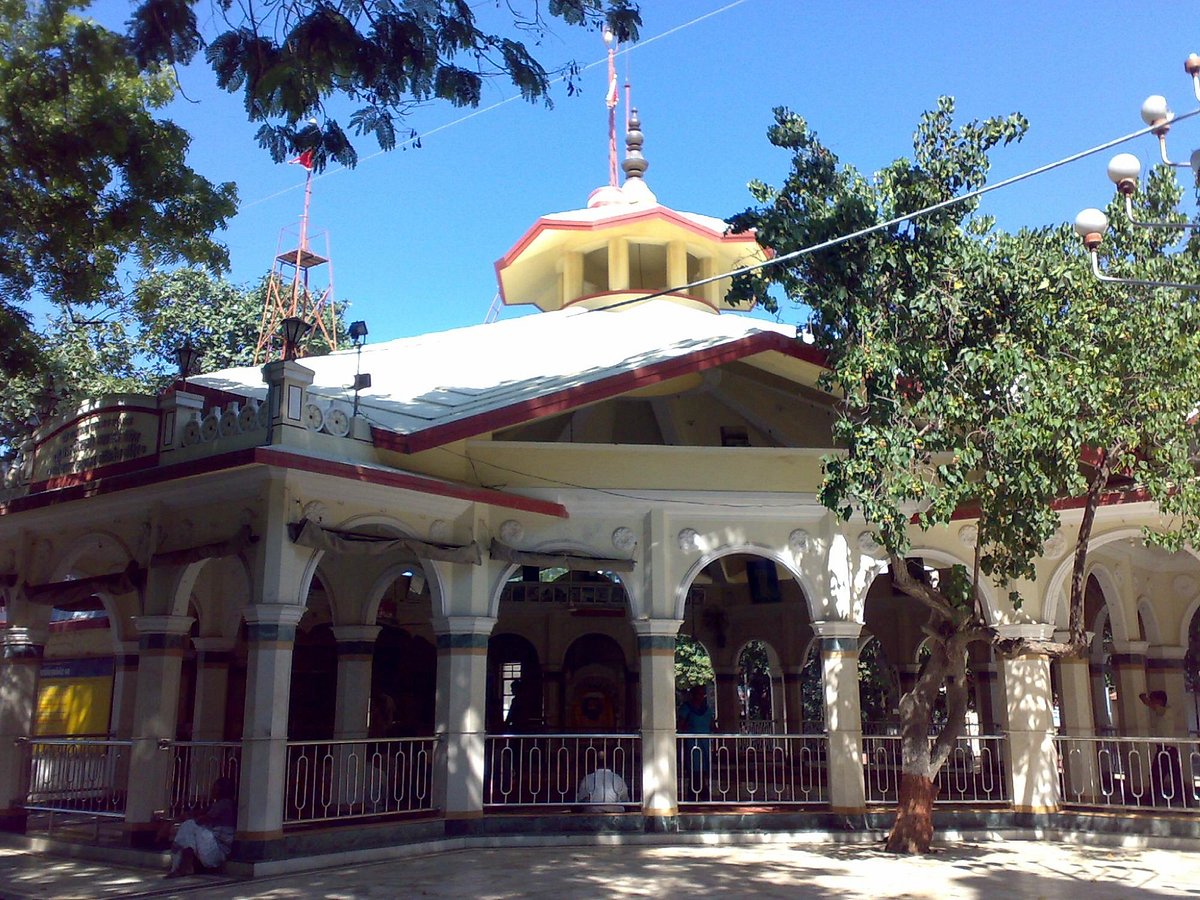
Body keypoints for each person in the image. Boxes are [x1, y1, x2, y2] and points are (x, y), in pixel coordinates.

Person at [165, 777, 236, 878]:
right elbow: (198, 813)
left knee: (189, 825)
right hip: (211, 850)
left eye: (215, 788)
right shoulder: (216, 804)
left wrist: (184, 819)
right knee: (189, 827)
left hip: (218, 852)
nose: (212, 790)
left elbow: (202, 819)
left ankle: (182, 866)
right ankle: (186, 865)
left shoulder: (225, 804)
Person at [678, 685, 716, 800]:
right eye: (697, 694)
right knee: (694, 768)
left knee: (704, 767)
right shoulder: (686, 708)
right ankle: (694, 792)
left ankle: (703, 791)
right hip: (692, 742)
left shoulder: (707, 709)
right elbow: (680, 724)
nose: (700, 696)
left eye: (702, 694)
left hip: (705, 742)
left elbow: (712, 724)